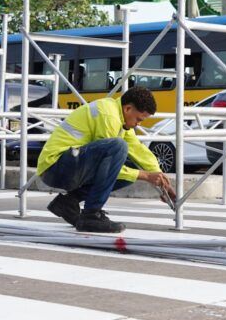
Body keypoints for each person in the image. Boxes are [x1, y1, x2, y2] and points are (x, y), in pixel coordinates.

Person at [37, 86, 175, 233]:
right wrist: (146, 176)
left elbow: (138, 150)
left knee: (132, 164)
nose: (138, 124)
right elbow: (108, 163)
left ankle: (68, 203)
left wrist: (161, 180)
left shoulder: (120, 118)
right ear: (128, 109)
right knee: (119, 146)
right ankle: (91, 215)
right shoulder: (108, 116)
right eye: (138, 119)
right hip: (55, 166)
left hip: (69, 165)